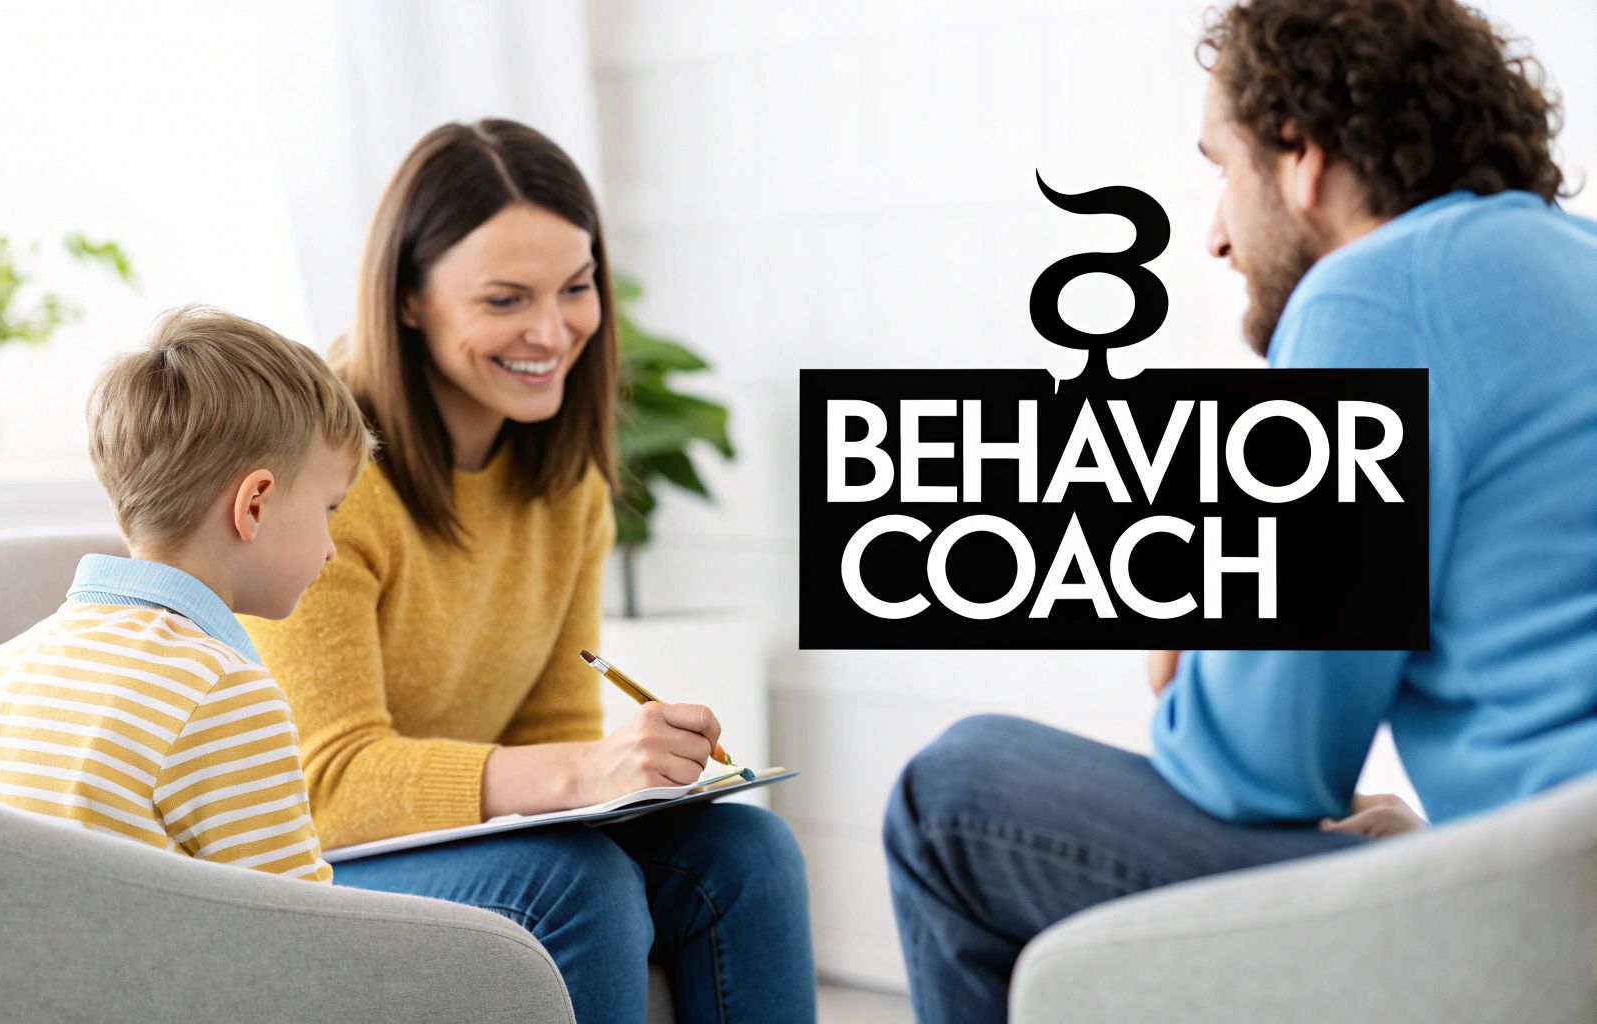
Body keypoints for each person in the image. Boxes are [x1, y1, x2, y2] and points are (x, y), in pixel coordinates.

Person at [883, 0, 1597, 1019]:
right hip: (1552, 870)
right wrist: (1437, 850)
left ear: (1301, 155)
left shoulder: (1372, 290)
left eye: (1222, 168)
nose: (1216, 234)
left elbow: (1259, 768)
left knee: (950, 797)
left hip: (1545, 925)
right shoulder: (1574, 263)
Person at [242, 119, 815, 1024]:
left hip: (453, 846)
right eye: (506, 299)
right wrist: (582, 773)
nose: (553, 331)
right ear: (407, 299)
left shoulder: (564, 478)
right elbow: (328, 788)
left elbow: (552, 726)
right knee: (571, 883)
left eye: (576, 288)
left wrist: (616, 777)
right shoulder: (324, 475)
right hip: (306, 861)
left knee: (748, 853)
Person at [0, 305, 373, 882]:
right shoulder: (223, 692)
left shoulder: (4, 664)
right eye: (330, 509)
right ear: (255, 505)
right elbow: (298, 922)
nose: (332, 548)